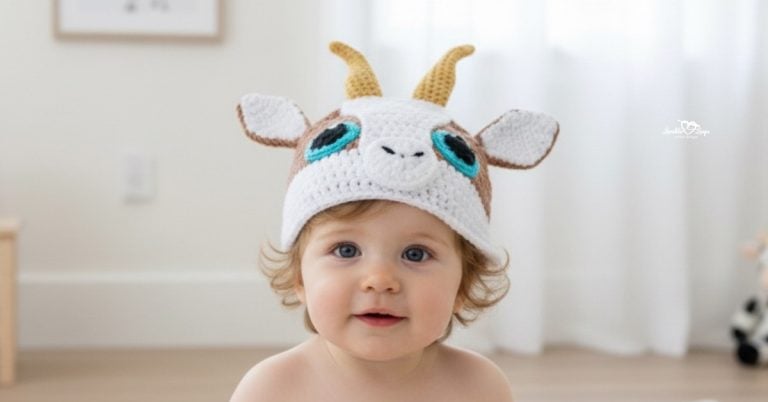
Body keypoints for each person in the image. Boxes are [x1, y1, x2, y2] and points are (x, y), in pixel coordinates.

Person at [230, 41, 560, 402]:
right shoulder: (273, 389)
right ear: (299, 279)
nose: (380, 281)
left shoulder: (478, 387)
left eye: (416, 254)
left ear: (463, 286)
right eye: (346, 249)